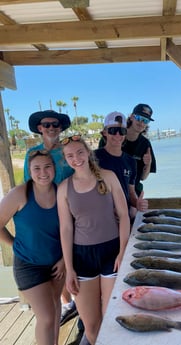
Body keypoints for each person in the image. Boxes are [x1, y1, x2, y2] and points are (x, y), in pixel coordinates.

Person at [57, 135, 130, 345]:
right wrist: (69, 269)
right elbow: (66, 228)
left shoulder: (108, 177)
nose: (76, 158)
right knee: (91, 324)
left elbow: (124, 215)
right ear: (65, 159)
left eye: (80, 152)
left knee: (112, 316)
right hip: (82, 257)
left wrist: (123, 252)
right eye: (70, 155)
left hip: (111, 253)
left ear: (88, 153)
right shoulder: (64, 188)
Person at [0, 150, 65, 345]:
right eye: (37, 168)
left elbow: (70, 230)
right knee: (46, 317)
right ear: (29, 171)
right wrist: (14, 244)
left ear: (54, 169)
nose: (43, 172)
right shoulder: (20, 194)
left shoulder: (61, 192)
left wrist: (64, 260)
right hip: (28, 265)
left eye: (47, 167)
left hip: (57, 264)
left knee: (55, 310)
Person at [23, 110, 78, 327]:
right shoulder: (31, 154)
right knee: (54, 261)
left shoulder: (67, 150)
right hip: (45, 213)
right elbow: (29, 184)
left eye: (55, 124)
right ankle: (67, 303)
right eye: (47, 125)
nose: (51, 128)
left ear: (61, 127)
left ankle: (75, 301)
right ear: (40, 128)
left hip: (70, 210)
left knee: (68, 257)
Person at [95, 111, 148, 219]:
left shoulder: (131, 161)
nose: (117, 135)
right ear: (105, 132)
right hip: (101, 218)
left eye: (122, 131)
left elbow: (131, 192)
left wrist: (137, 203)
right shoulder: (93, 158)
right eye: (113, 130)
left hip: (124, 217)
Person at [123, 103, 156, 196]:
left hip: (134, 190)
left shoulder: (145, 144)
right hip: (111, 188)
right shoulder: (115, 136)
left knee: (132, 210)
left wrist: (148, 163)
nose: (141, 123)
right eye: (139, 118)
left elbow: (143, 177)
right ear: (132, 117)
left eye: (145, 120)